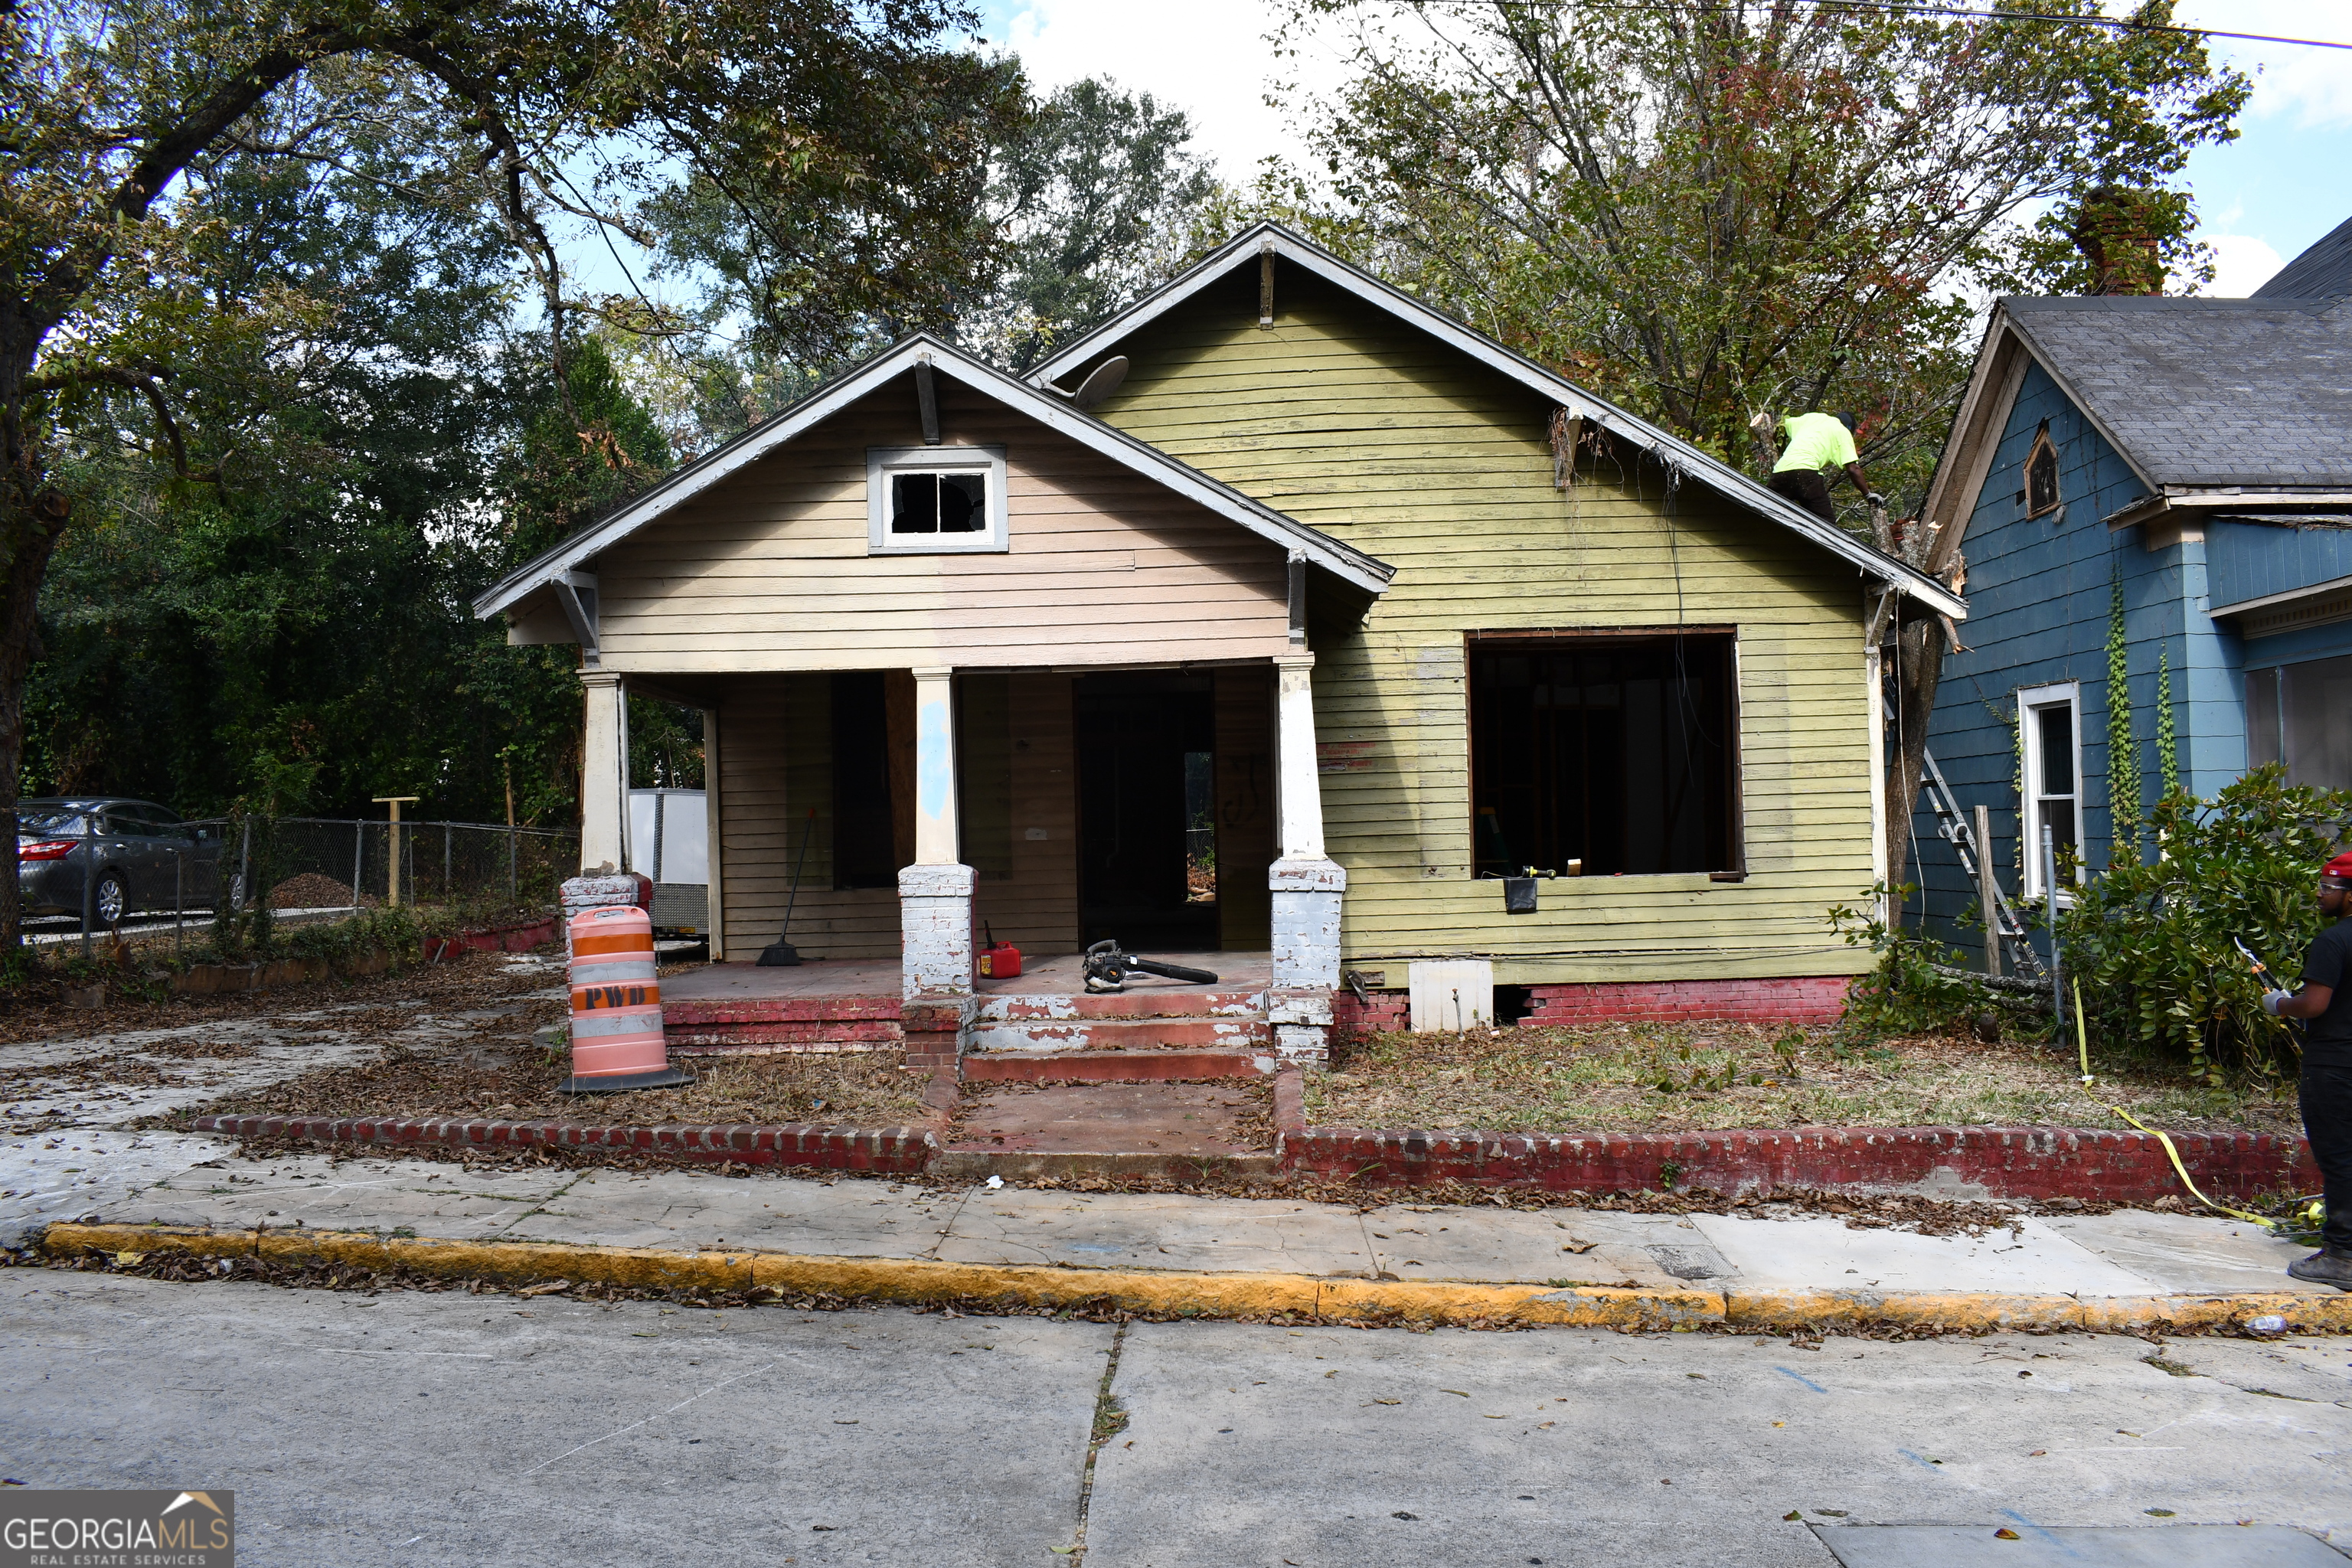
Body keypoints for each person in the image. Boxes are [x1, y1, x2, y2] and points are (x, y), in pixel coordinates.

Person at [2263, 851, 2352, 1289]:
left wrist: (2281, 1004)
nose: (2320, 894)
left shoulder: (2334, 941)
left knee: (2340, 1157)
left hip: (2335, 1066)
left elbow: (2314, 1005)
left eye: (2328, 888)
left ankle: (2342, 1255)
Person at [1767, 410, 1883, 525]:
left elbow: (1779, 427)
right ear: (1849, 428)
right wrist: (1868, 494)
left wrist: (1780, 450)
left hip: (1780, 472)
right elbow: (1853, 469)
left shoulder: (1811, 418)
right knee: (1826, 525)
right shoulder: (1842, 431)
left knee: (1768, 514)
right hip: (1806, 475)